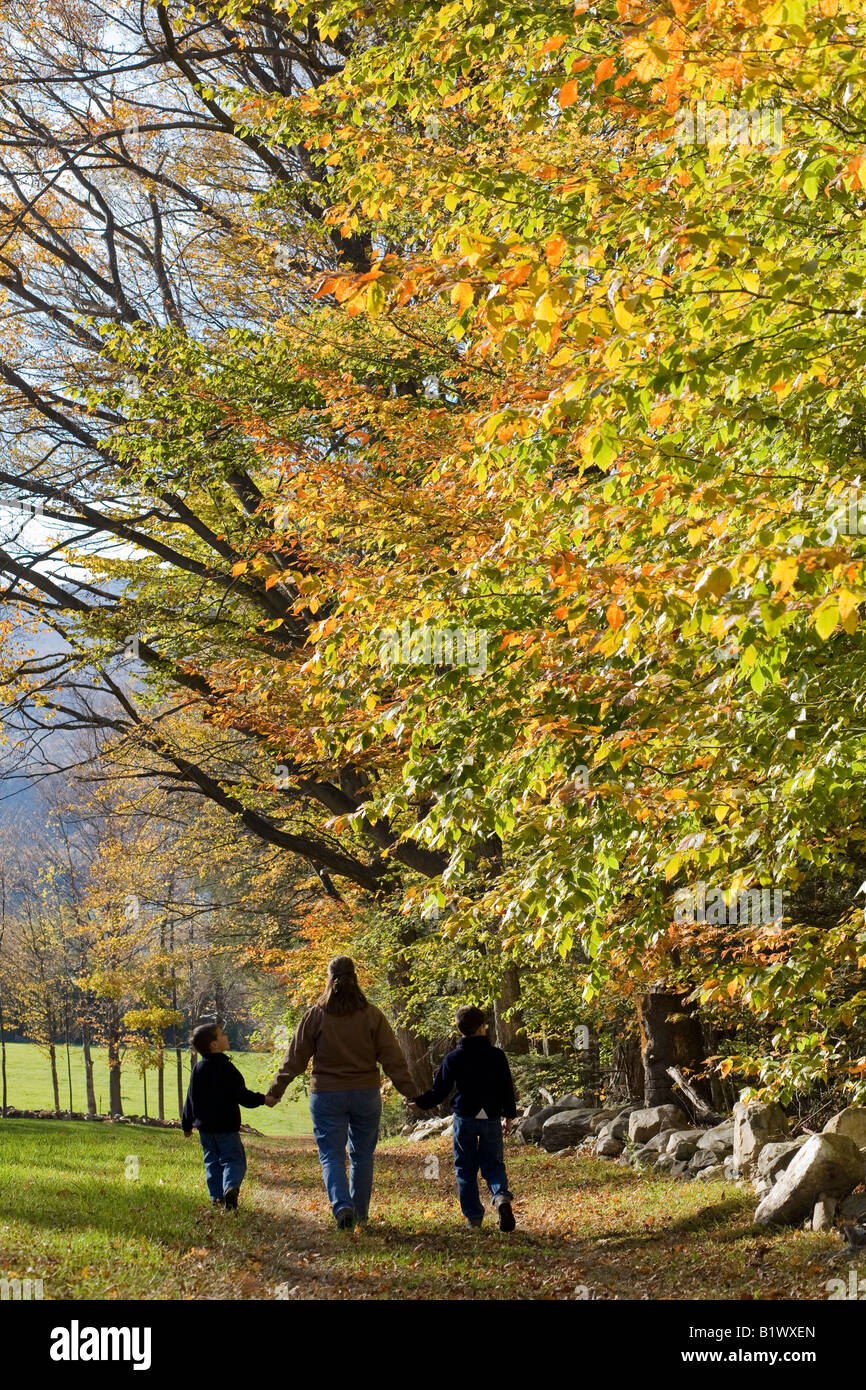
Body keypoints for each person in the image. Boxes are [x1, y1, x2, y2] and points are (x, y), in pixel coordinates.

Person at [264, 956, 416, 1230]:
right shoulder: (372, 1015)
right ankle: (359, 1216)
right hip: (366, 1094)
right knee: (362, 1156)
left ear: (329, 978)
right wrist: (411, 1093)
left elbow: (294, 1058)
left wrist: (276, 1090)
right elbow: (393, 1059)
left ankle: (342, 1206)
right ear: (355, 977)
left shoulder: (316, 1015)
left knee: (331, 1154)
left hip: (327, 1095)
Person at [410, 1004, 518, 1231]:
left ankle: (474, 1218)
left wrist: (418, 1102)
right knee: (494, 1164)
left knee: (465, 1168)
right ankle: (501, 1198)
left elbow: (439, 1092)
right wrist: (508, 1117)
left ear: (460, 1030)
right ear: (482, 1028)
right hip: (490, 1117)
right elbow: (507, 1088)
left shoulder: (453, 1058)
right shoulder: (497, 1056)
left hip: (465, 1118)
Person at [182, 1022, 266, 1210]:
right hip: (226, 1126)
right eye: (222, 1034)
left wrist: (186, 1124)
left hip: (205, 1128)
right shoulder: (227, 1069)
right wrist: (263, 1099)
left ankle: (217, 1198)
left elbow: (190, 1098)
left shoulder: (198, 1069)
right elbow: (242, 1096)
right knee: (234, 1160)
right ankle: (230, 1187)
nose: (226, 1036)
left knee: (211, 1161)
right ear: (214, 1044)